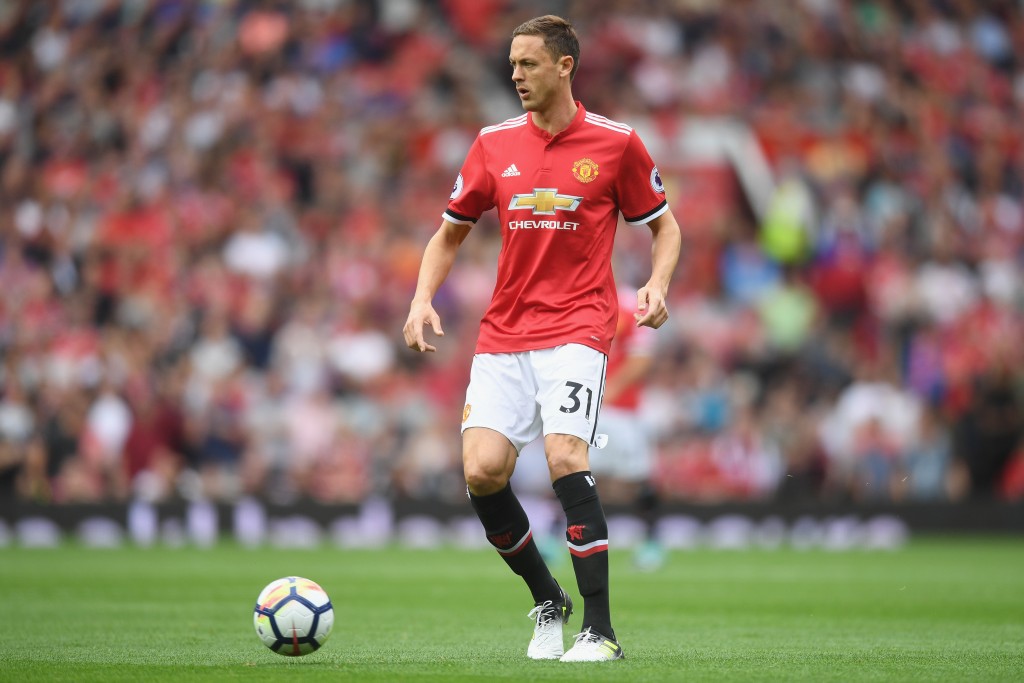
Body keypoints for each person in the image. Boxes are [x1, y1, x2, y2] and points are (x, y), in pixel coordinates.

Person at [403, 15, 681, 662]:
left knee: (564, 457)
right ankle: (548, 598)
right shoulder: (493, 143)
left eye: (528, 64)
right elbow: (449, 233)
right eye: (511, 65)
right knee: (481, 472)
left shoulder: (616, 143)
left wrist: (657, 284)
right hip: (504, 331)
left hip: (580, 327)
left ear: (564, 66)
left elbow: (665, 227)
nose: (516, 75)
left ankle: (601, 630)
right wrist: (420, 299)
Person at [587, 286, 665, 571]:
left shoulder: (633, 303)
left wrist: (609, 391)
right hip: (586, 408)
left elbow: (642, 358)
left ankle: (652, 542)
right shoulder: (578, 297)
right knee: (570, 470)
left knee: (638, 477)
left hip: (621, 411)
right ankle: (554, 539)